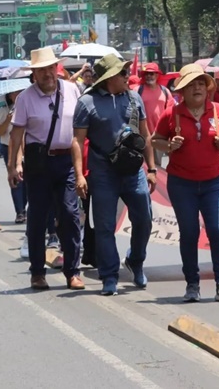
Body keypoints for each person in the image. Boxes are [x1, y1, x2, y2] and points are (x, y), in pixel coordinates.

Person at [152, 63, 219, 302]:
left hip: (213, 183)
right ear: (182, 91)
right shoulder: (172, 114)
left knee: (218, 231)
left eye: (201, 83)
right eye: (192, 85)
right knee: (189, 233)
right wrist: (169, 145)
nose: (198, 88)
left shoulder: (218, 111)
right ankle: (192, 284)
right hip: (182, 184)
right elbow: (155, 140)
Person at [73, 54, 156, 295]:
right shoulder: (86, 102)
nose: (127, 76)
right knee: (104, 226)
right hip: (103, 173)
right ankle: (109, 276)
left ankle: (135, 260)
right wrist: (79, 175)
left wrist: (151, 169)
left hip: (133, 171)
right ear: (110, 77)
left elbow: (145, 135)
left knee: (144, 219)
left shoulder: (134, 98)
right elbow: (77, 141)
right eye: (122, 73)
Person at [8, 47, 84, 291]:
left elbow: (80, 131)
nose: (47, 74)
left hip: (66, 162)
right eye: (41, 70)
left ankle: (72, 272)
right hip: (38, 163)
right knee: (38, 218)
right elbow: (16, 134)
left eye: (50, 68)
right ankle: (37, 272)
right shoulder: (25, 98)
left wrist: (81, 169)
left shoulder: (72, 90)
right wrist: (13, 166)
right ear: (34, 73)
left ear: (57, 68)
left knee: (70, 215)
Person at [0, 86, 28, 224]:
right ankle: (20, 211)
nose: (18, 95)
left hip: (29, 148)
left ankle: (26, 208)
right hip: (9, 147)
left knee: (28, 181)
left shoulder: (29, 107)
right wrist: (8, 119)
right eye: (15, 93)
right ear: (9, 95)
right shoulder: (4, 111)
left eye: (20, 92)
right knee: (16, 180)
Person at [133, 62, 175, 167]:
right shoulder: (137, 91)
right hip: (142, 136)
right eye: (146, 74)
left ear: (157, 75)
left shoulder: (165, 91)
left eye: (151, 74)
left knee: (157, 167)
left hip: (159, 136)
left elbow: (170, 113)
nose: (149, 76)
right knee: (143, 166)